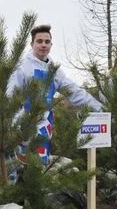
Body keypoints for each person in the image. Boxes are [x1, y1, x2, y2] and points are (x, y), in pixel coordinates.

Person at [7, 24, 102, 166]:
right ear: (32, 44)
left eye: (47, 42)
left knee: (38, 170)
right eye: (39, 41)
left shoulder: (54, 70)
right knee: (16, 170)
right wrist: (16, 126)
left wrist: (100, 108)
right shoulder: (21, 67)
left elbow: (75, 92)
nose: (43, 45)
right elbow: (10, 97)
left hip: (44, 128)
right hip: (22, 127)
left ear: (51, 44)